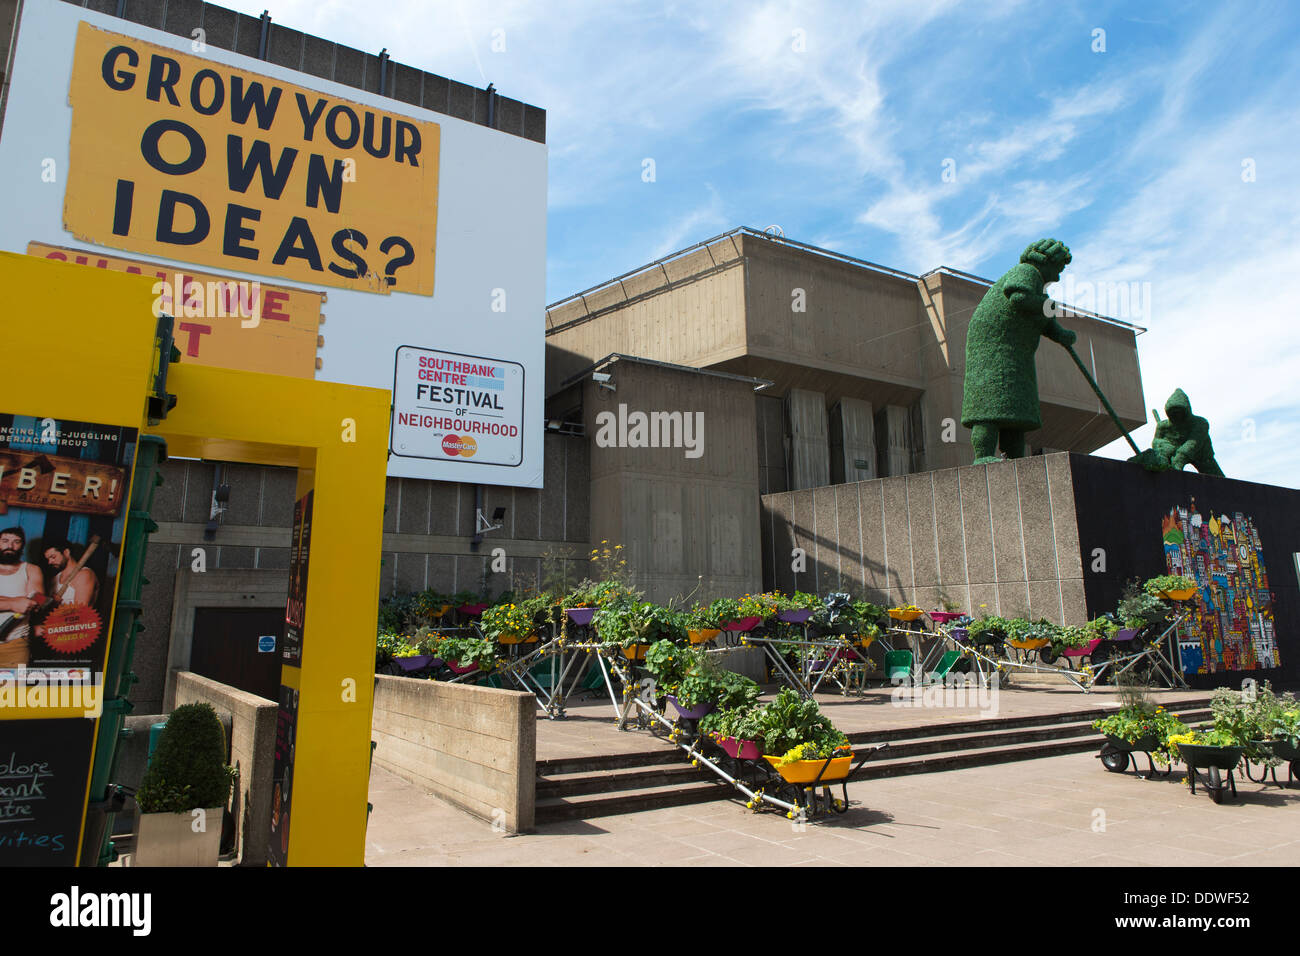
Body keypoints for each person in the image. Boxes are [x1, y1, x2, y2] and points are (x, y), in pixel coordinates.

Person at [961, 238, 1078, 464]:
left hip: (1016, 354)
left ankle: (1015, 458)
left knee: (1015, 412)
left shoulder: (1037, 284)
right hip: (995, 351)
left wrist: (1060, 334)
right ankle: (983, 455)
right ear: (1045, 261)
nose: (1059, 275)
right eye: (1058, 268)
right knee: (989, 409)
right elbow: (1019, 297)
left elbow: (1042, 319)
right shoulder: (1027, 271)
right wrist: (1048, 305)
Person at [0, 526, 43, 666]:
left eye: (16, 542)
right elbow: (21, 603)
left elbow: (38, 601)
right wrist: (12, 603)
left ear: (22, 546)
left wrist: (33, 602)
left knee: (12, 689)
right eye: (5, 540)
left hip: (15, 645)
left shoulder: (32, 570)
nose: (10, 546)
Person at [41, 537, 100, 607]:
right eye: (48, 559)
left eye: (53, 557)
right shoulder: (55, 579)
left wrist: (57, 606)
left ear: (66, 552)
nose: (50, 562)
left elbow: (80, 612)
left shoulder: (84, 574)